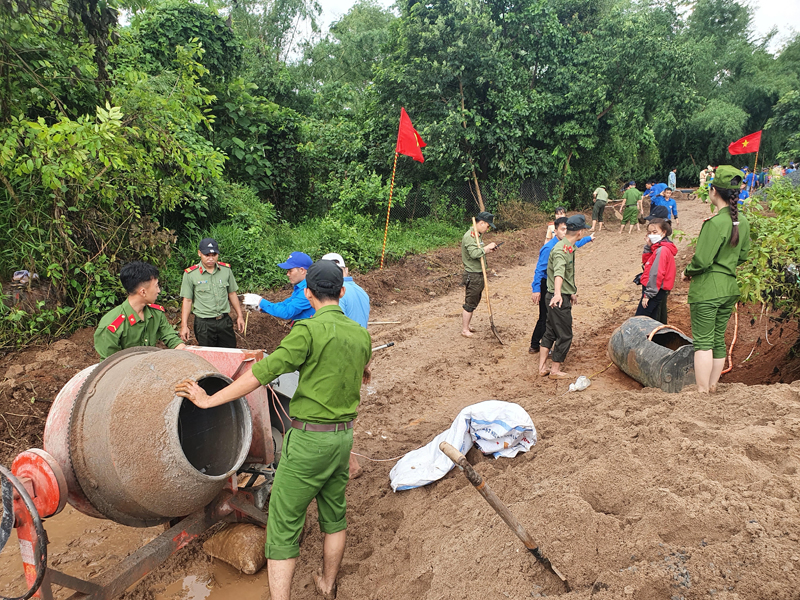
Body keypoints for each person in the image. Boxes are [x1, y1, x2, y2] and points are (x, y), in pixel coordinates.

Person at [175, 260, 372, 600]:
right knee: (334, 515)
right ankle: (328, 584)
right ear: (341, 292)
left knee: (282, 525)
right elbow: (364, 373)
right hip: (343, 439)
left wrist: (210, 400)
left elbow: (258, 375)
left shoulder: (307, 332)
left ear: (308, 293)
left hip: (310, 441)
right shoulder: (360, 334)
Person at [681, 165, 750, 394]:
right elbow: (742, 256)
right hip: (729, 287)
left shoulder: (715, 223)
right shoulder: (743, 222)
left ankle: (701, 391)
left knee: (703, 341)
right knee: (718, 339)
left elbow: (702, 260)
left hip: (707, 290)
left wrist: (687, 272)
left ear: (713, 191)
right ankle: (711, 386)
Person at [94, 261, 187, 359]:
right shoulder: (111, 324)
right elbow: (110, 364)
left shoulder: (156, 314)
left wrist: (189, 356)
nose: (159, 291)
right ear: (143, 292)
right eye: (156, 286)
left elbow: (172, 340)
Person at [529, 217, 594, 353]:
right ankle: (535, 344)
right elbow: (539, 269)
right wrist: (536, 289)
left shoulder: (565, 245)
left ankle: (543, 345)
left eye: (567, 229)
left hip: (556, 283)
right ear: (555, 231)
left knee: (551, 317)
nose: (565, 232)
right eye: (562, 229)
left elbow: (576, 243)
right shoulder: (549, 248)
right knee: (545, 317)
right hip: (547, 284)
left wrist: (588, 239)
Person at [538, 214, 591, 379]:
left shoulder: (566, 246)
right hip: (557, 298)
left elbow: (566, 274)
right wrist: (560, 294)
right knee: (565, 334)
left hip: (554, 295)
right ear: (579, 232)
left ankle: (542, 367)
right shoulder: (562, 250)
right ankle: (555, 370)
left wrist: (571, 292)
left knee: (550, 331)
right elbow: (559, 273)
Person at [179, 238, 245, 347]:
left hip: (224, 321)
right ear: (199, 253)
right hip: (204, 324)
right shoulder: (191, 274)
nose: (211, 258)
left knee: (230, 353)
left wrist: (240, 316)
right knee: (208, 357)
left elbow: (232, 293)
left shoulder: (226, 270)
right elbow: (187, 300)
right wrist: (184, 325)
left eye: (214, 255)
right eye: (207, 255)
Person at [242, 252, 315, 322]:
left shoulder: (307, 290)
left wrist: (260, 301)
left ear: (302, 270)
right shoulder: (301, 288)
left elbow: (287, 312)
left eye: (290, 271)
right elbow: (284, 304)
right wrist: (260, 307)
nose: (287, 274)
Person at [460, 211, 498, 337]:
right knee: (470, 302)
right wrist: (486, 248)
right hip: (473, 274)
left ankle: (468, 325)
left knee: (475, 300)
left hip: (479, 273)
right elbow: (474, 254)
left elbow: (479, 252)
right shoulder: (470, 236)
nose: (488, 229)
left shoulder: (477, 235)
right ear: (481, 223)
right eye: (487, 226)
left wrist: (487, 250)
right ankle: (465, 329)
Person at [635, 217, 676, 324]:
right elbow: (647, 263)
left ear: (663, 232)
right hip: (655, 289)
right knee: (653, 319)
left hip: (654, 290)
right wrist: (649, 247)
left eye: (655, 232)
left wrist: (648, 294)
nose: (651, 235)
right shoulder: (658, 248)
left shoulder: (662, 250)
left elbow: (656, 273)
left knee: (640, 320)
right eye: (649, 232)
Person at [321, 253, 370, 329]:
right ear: (346, 270)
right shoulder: (361, 291)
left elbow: (335, 327)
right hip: (362, 338)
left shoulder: (334, 292)